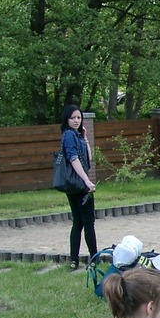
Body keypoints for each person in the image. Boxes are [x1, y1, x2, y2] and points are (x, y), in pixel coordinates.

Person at [60, 104, 97, 270]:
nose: (76, 120)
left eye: (79, 118)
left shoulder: (75, 135)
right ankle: (94, 258)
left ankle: (74, 259)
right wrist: (87, 181)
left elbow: (89, 158)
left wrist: (85, 138)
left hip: (73, 185)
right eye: (73, 118)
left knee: (78, 222)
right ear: (66, 119)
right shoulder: (69, 135)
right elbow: (74, 159)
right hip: (79, 184)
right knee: (88, 222)